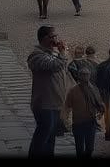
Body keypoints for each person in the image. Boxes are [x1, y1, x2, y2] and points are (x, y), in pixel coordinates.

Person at [27, 24, 70, 157]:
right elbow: (55, 66)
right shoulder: (36, 56)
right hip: (44, 104)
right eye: (53, 36)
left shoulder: (52, 53)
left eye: (55, 36)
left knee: (50, 139)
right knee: (42, 137)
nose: (56, 39)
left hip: (55, 103)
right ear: (44, 38)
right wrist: (63, 53)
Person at [64, 67, 105, 159]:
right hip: (78, 123)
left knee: (90, 148)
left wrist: (101, 109)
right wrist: (66, 120)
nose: (85, 77)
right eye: (83, 75)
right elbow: (67, 106)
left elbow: (99, 101)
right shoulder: (73, 90)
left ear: (89, 76)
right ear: (79, 76)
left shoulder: (93, 89)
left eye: (87, 74)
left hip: (90, 122)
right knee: (79, 148)